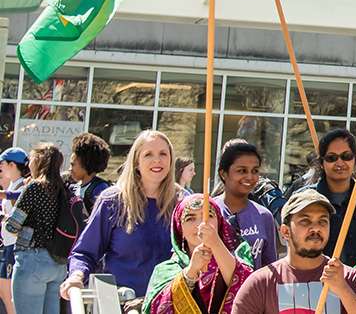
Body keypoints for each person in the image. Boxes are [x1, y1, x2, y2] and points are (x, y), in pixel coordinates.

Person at [63, 130, 182, 300]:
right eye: (148, 154)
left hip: (168, 304)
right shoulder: (112, 201)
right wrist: (76, 276)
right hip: (121, 303)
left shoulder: (183, 204)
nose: (157, 160)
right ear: (136, 162)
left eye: (163, 154)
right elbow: (86, 252)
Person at [231, 191, 356, 314]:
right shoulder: (261, 282)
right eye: (305, 221)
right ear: (286, 231)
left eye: (322, 221)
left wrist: (343, 289)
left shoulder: (348, 277)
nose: (315, 228)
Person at [143, 195, 253, 314]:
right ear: (180, 228)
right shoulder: (165, 270)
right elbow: (156, 308)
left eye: (209, 216)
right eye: (190, 219)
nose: (201, 223)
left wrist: (216, 244)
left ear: (219, 222)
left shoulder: (238, 254)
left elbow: (248, 289)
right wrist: (190, 273)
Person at [294, 129, 356, 266]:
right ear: (322, 163)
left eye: (346, 156)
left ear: (355, 160)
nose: (339, 163)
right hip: (316, 282)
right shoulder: (303, 199)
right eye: (332, 158)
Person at [6, 143, 70, 314]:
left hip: (32, 260)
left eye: (31, 159)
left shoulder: (35, 187)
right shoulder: (63, 188)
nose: (28, 165)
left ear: (39, 160)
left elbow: (12, 226)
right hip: (57, 264)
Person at [213, 141, 278, 267]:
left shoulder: (264, 216)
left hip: (253, 286)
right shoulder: (208, 211)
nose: (249, 177)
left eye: (255, 171)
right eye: (242, 171)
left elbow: (268, 267)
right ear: (223, 174)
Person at [0, 146, 31, 314]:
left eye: (2, 163)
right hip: (8, 245)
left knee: (10, 295)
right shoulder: (14, 185)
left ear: (12, 164)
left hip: (15, 246)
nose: (0, 167)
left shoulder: (21, 188)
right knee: (6, 294)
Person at [69, 133, 113, 207]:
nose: (70, 169)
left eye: (73, 165)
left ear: (85, 163)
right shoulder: (75, 188)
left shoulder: (100, 189)